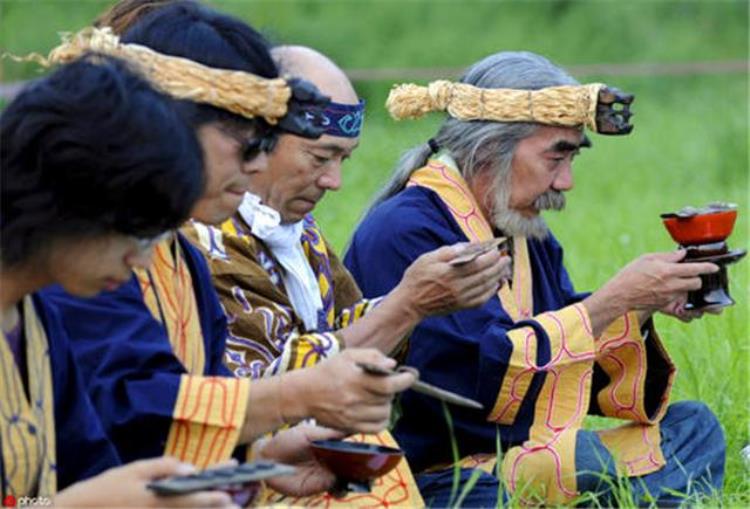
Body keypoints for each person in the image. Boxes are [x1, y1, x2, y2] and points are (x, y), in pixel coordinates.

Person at [39, 1, 416, 479]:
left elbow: (170, 418)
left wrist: (257, 464)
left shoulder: (179, 258)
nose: (257, 165)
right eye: (248, 141)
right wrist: (294, 396)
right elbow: (127, 410)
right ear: (168, 121)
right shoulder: (76, 246)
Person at [345, 51, 726, 506]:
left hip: (523, 456)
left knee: (695, 428)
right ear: (489, 149)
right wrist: (612, 300)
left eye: (572, 159)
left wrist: (639, 304)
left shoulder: (525, 231)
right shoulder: (405, 229)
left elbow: (563, 347)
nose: (566, 182)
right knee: (565, 474)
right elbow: (468, 395)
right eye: (555, 157)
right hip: (436, 471)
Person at [183, 44, 510, 507]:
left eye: (344, 160)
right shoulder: (199, 237)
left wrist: (426, 299)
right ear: (255, 139)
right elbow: (258, 394)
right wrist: (408, 303)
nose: (334, 181)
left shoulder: (296, 228)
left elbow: (341, 326)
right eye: (320, 158)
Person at [0, 54, 237, 508]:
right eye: (136, 229)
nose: (143, 259)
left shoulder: (36, 317)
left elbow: (90, 469)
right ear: (66, 196)